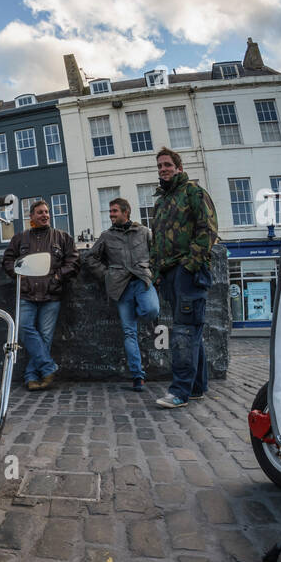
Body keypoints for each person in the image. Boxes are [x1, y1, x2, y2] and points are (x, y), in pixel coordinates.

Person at [148, 147, 218, 408]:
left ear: (178, 167)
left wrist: (189, 265)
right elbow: (156, 241)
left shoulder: (193, 192)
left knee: (183, 334)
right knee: (191, 333)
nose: (163, 169)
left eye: (167, 165)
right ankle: (197, 387)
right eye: (159, 166)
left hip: (188, 273)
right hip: (168, 275)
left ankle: (179, 392)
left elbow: (208, 230)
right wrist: (156, 272)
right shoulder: (162, 202)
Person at [82, 198, 158, 391]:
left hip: (142, 281)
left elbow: (157, 253)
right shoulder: (106, 236)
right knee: (129, 332)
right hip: (120, 288)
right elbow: (91, 258)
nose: (111, 214)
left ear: (126, 212)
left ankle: (137, 314)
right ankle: (137, 376)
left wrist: (155, 273)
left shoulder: (143, 232)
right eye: (110, 211)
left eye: (115, 211)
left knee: (152, 311)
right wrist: (106, 275)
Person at [2, 199, 79, 390]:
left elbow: (74, 261)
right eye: (40, 212)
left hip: (51, 295)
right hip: (27, 294)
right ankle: (48, 367)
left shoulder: (62, 237)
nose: (44, 215)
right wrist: (21, 276)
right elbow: (7, 261)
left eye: (46, 212)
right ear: (32, 216)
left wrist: (58, 277)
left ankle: (31, 377)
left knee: (45, 337)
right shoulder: (20, 238)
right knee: (24, 329)